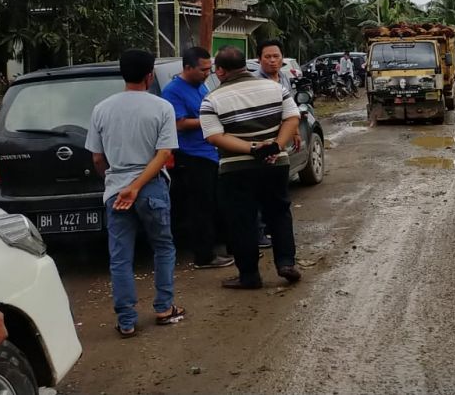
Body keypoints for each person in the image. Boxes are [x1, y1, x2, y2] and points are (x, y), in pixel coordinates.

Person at [86, 49, 185, 338]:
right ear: (149, 75)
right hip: (151, 186)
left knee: (120, 258)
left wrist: (118, 183)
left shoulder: (101, 109)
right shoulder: (161, 107)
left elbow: (96, 158)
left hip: (116, 189)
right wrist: (138, 186)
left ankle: (127, 321)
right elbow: (164, 153)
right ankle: (164, 308)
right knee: (163, 247)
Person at [200, 46, 302, 289]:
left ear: (220, 71)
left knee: (241, 220)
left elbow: (215, 137)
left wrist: (252, 149)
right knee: (279, 212)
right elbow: (292, 118)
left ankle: (249, 276)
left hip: (236, 169)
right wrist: (275, 146)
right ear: (247, 66)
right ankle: (286, 263)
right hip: (275, 164)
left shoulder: (211, 99)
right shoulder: (275, 88)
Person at [161, 47, 233, 269]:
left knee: (216, 203)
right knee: (200, 208)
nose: (207, 73)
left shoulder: (200, 85)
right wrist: (211, 120)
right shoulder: (173, 91)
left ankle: (223, 244)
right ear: (187, 68)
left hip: (210, 152)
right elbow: (178, 124)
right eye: (202, 69)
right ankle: (204, 256)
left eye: (209, 69)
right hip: (191, 156)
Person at [254, 40, 300, 249]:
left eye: (276, 56)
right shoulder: (256, 83)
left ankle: (274, 227)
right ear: (259, 59)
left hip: (282, 138)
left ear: (282, 58)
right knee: (262, 186)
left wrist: (295, 131)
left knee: (279, 185)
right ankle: (261, 230)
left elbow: (289, 108)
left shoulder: (283, 77)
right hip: (265, 140)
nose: (272, 61)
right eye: (267, 57)